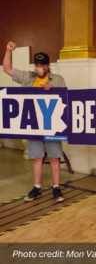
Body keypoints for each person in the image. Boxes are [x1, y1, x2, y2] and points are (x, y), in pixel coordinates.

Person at [3, 41, 66, 202]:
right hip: (33, 125)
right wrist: (8, 51)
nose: (39, 67)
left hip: (51, 125)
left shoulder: (58, 79)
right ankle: (36, 188)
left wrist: (52, 91)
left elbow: (66, 101)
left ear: (48, 65)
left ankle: (56, 188)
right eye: (36, 64)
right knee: (37, 157)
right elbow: (7, 69)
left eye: (42, 65)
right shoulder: (27, 76)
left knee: (54, 157)